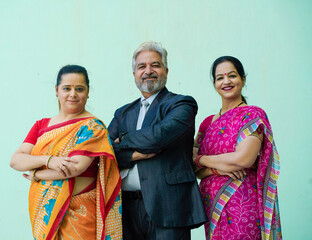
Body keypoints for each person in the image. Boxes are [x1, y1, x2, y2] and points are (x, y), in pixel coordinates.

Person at [108, 41, 207, 240]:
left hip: (168, 206)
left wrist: (124, 140)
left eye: (155, 65)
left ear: (166, 70)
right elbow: (106, 149)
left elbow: (160, 136)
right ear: (134, 73)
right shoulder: (123, 113)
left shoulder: (181, 104)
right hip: (125, 209)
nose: (148, 71)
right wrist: (135, 153)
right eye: (141, 66)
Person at [10, 65, 122, 240]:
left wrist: (37, 174)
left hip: (81, 213)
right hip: (46, 211)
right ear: (56, 90)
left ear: (87, 92)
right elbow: (16, 160)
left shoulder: (92, 126)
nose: (72, 94)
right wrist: (49, 160)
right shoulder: (42, 125)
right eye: (66, 88)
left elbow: (74, 168)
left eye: (79, 89)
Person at [193, 56, 282, 240]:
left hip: (243, 202)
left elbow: (244, 159)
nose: (226, 81)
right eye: (220, 77)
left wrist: (202, 160)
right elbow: (193, 169)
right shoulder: (206, 124)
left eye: (232, 75)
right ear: (214, 83)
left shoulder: (251, 115)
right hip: (212, 205)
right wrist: (217, 169)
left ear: (243, 79)